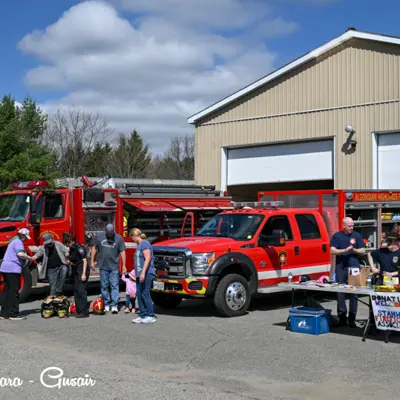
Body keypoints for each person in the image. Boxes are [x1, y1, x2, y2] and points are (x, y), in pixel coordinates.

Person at [330, 217, 365, 328]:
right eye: (349, 226)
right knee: (340, 292)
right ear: (343, 225)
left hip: (354, 267)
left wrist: (353, 250)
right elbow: (332, 250)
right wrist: (344, 251)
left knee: (354, 293)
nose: (351, 227)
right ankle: (342, 318)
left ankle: (352, 319)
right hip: (341, 268)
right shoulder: (337, 236)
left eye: (352, 225)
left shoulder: (357, 236)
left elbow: (363, 251)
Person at [90, 224, 126, 314]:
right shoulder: (99, 236)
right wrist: (91, 261)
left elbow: (122, 251)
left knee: (114, 285)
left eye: (111, 232)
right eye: (108, 233)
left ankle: (114, 304)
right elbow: (94, 248)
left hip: (114, 266)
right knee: (104, 286)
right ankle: (106, 303)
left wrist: (124, 265)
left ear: (113, 230)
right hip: (103, 266)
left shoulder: (118, 238)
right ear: (105, 231)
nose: (110, 234)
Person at [0, 228, 32, 320]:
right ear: (22, 235)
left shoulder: (12, 241)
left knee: (6, 291)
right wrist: (28, 258)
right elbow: (20, 254)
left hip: (5, 268)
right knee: (14, 291)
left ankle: (4, 313)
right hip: (13, 269)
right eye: (25, 237)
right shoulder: (18, 242)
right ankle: (13, 313)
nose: (25, 239)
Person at [130, 228, 156, 324]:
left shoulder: (145, 244)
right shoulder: (139, 245)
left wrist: (143, 273)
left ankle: (150, 315)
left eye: (131, 237)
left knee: (145, 293)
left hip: (146, 273)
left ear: (134, 235)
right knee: (140, 295)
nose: (131, 239)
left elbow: (148, 258)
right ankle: (143, 315)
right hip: (139, 274)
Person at [31, 233, 69, 297]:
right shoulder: (43, 247)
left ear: (52, 239)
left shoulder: (58, 244)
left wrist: (67, 257)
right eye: (47, 244)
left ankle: (59, 290)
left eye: (50, 243)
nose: (49, 245)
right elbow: (37, 255)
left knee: (65, 269)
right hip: (51, 269)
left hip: (60, 266)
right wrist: (30, 259)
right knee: (52, 287)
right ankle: (52, 299)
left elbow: (66, 251)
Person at [63, 234, 90, 318]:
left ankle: (84, 312)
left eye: (67, 244)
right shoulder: (72, 248)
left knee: (81, 291)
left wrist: (83, 274)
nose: (67, 246)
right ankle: (79, 310)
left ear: (70, 241)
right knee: (76, 290)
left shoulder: (79, 248)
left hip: (82, 269)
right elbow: (74, 260)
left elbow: (84, 261)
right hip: (76, 270)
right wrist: (69, 260)